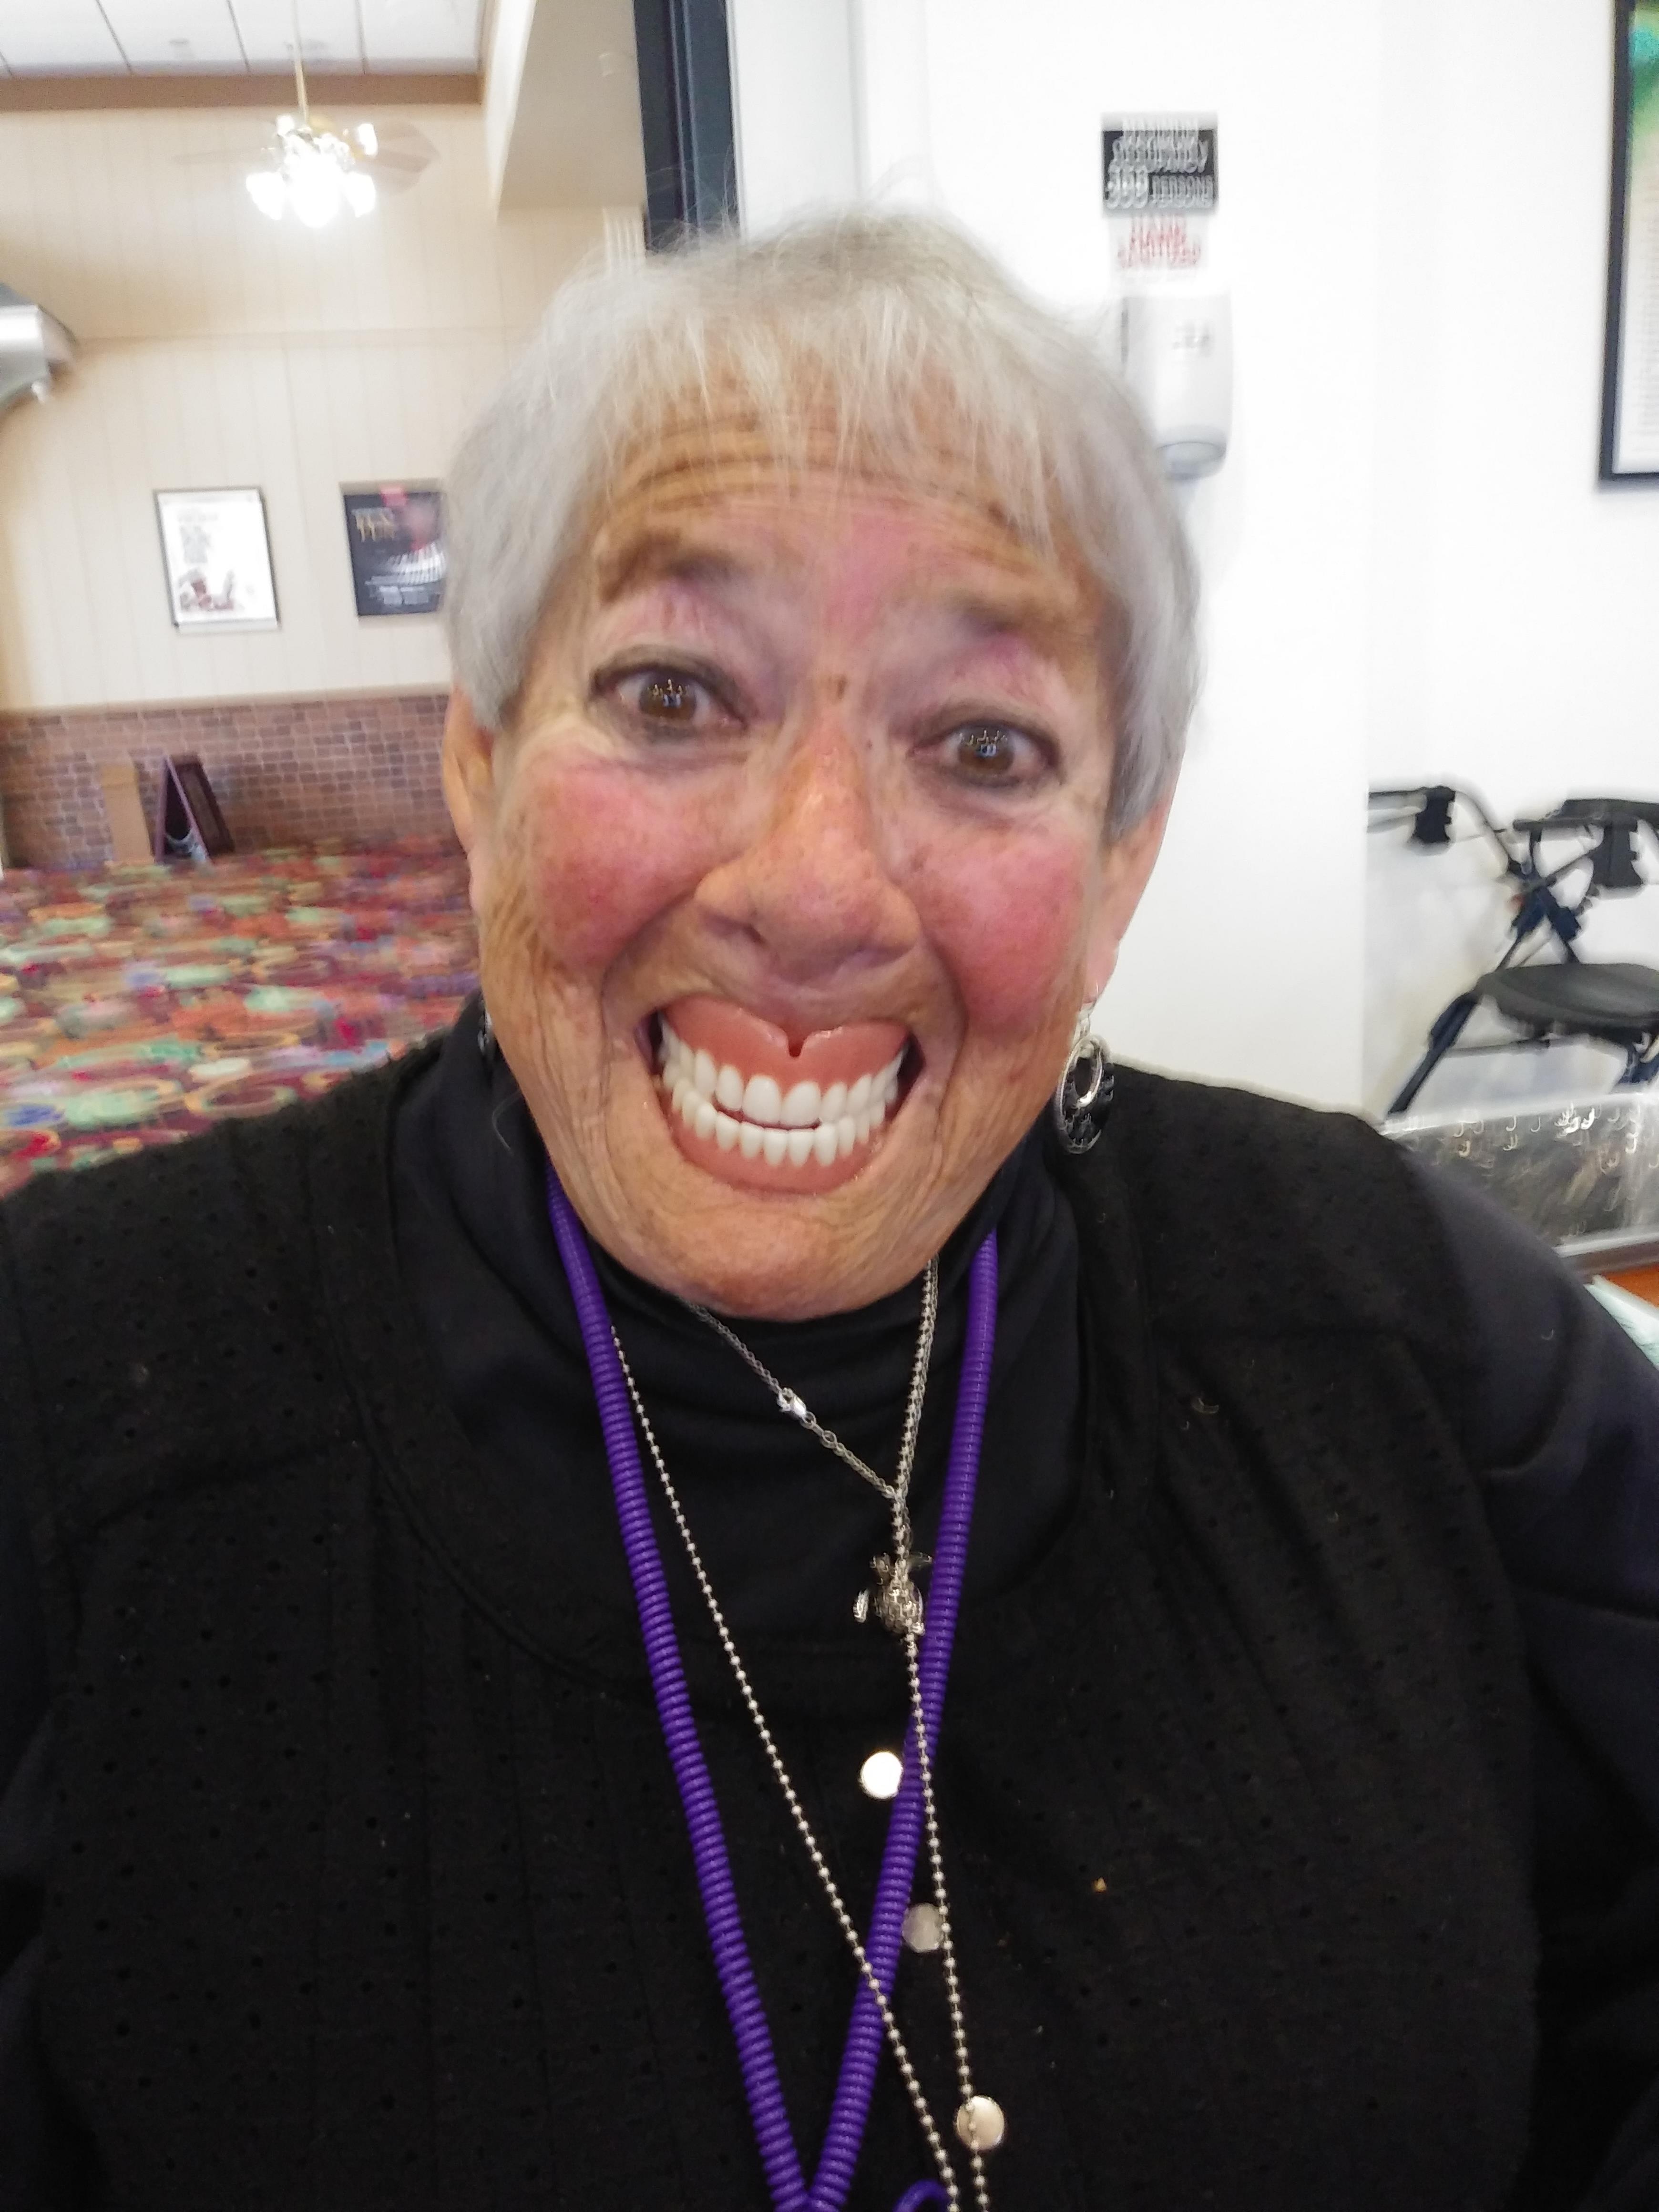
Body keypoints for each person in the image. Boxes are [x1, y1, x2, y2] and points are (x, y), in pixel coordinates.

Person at [2, 212, 1658, 2212]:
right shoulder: (80, 1398)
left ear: (1120, 872)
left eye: (985, 745)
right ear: (480, 766)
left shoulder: (1405, 1329)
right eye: (675, 694)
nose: (816, 885)